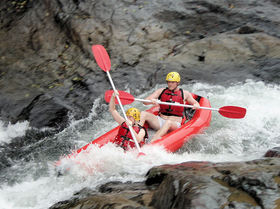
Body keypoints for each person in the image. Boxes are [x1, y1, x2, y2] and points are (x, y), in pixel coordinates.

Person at [139, 72, 200, 141]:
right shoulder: (161, 91)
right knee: (143, 113)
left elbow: (196, 103)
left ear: (178, 83)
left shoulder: (185, 93)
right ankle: (136, 133)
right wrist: (151, 101)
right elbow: (144, 101)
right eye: (168, 82)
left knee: (168, 122)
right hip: (160, 121)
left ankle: (153, 141)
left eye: (172, 82)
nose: (170, 84)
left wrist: (196, 105)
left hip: (174, 124)